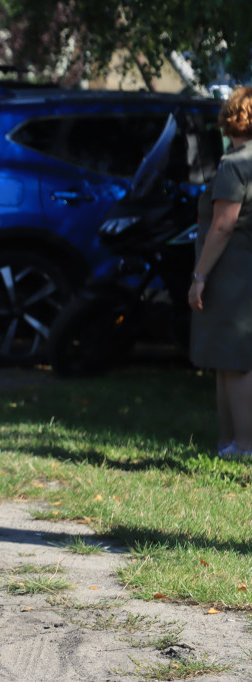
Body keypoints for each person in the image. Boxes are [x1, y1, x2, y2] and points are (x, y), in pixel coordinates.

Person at [188, 86, 252, 460]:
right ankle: (229, 443)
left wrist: (199, 277)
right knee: (226, 358)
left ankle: (243, 445)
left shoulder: (235, 164)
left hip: (232, 271)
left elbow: (222, 227)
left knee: (235, 360)